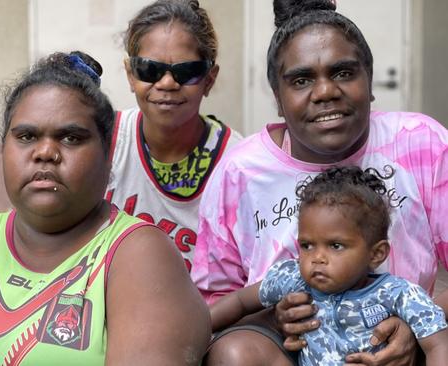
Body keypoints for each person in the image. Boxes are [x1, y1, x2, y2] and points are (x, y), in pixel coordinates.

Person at [0, 51, 210, 365]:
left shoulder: (138, 253)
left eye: (71, 138)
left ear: (109, 156)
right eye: (26, 137)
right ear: (3, 146)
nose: (45, 152)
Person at [191, 0, 448, 364]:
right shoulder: (241, 174)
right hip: (292, 348)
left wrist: (419, 321)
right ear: (278, 99)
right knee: (235, 353)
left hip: (410, 346)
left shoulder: (422, 143)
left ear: (370, 81)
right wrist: (273, 317)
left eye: (343, 73)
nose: (325, 91)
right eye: (301, 80)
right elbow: (215, 303)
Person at [209, 166, 448, 365]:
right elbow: (240, 301)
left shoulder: (398, 295)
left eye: (335, 246)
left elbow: (438, 344)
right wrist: (198, 330)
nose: (317, 258)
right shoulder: (292, 279)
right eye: (307, 245)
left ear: (377, 254)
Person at [106, 0, 242, 270]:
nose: (167, 83)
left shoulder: (237, 165)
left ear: (209, 79)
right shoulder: (106, 141)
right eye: (150, 70)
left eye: (186, 72)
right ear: (131, 75)